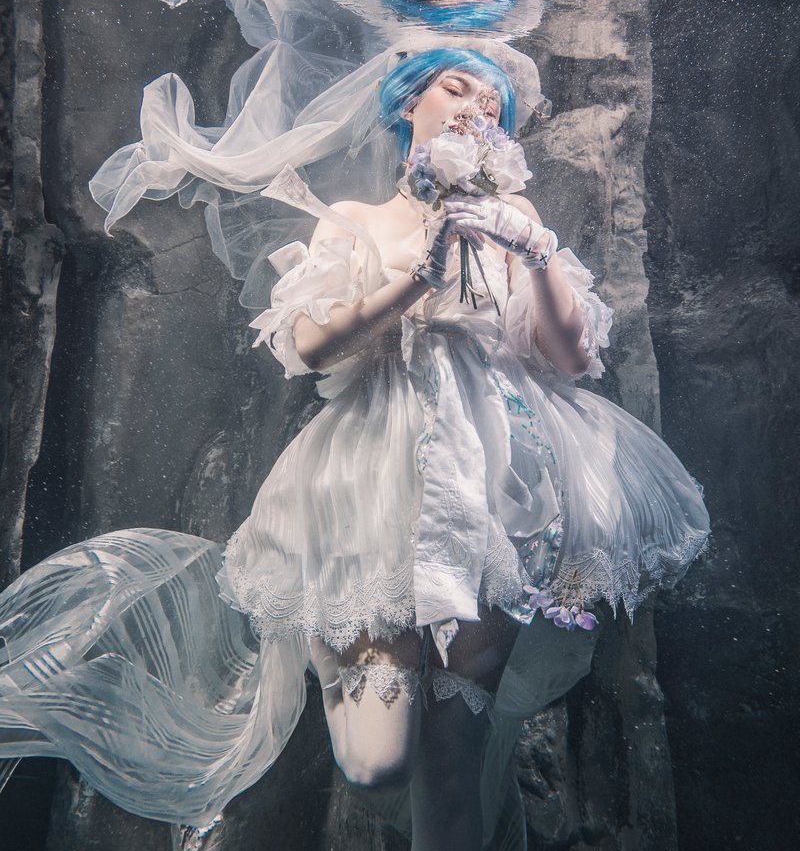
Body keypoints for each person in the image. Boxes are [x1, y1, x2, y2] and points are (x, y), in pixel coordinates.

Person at [0, 44, 709, 849]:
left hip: (498, 486)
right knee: (376, 764)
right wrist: (417, 276)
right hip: (369, 482)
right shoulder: (356, 220)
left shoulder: (515, 221)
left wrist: (535, 251)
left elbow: (573, 360)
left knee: (453, 758)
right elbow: (309, 346)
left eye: (493, 104)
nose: (476, 108)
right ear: (408, 103)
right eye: (457, 87)